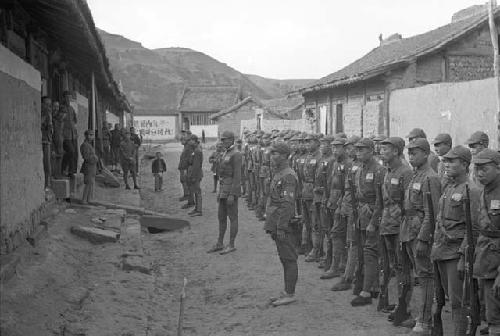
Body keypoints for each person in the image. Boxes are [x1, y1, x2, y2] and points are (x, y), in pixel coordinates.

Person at [430, 145, 480, 335]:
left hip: (456, 253)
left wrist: (462, 257)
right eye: (446, 161)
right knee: (448, 298)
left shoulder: (471, 190)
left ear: (465, 164)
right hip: (441, 249)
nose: (447, 165)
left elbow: (473, 228)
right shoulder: (449, 187)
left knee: (459, 301)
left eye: (452, 161)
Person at [402, 138, 441, 335]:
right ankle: (421, 316)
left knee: (426, 277)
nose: (410, 156)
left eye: (415, 153)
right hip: (410, 229)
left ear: (426, 154)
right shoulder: (416, 175)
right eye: (409, 153)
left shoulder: (430, 177)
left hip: (421, 233)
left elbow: (432, 213)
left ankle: (425, 322)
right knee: (420, 275)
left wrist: (425, 239)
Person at [374, 137, 413, 314]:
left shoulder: (406, 172)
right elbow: (382, 200)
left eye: (385, 150)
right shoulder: (387, 171)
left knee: (402, 266)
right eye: (381, 150)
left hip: (400, 226)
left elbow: (408, 204)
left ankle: (402, 305)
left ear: (396, 151)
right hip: (386, 223)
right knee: (388, 263)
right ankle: (388, 300)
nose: (382, 153)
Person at [350, 138, 385, 306]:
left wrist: (374, 221)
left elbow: (381, 200)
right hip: (361, 214)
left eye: (362, 149)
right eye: (357, 150)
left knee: (371, 252)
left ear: (371, 150)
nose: (358, 152)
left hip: (373, 215)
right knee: (365, 252)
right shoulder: (359, 169)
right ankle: (373, 286)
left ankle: (366, 291)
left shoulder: (379, 170)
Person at [265, 142, 299, 307]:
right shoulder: (279, 173)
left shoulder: (288, 175)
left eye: (276, 153)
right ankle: (287, 290)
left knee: (289, 258)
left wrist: (281, 227)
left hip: (283, 224)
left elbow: (287, 204)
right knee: (284, 258)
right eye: (272, 153)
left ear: (285, 155)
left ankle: (290, 293)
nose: (272, 156)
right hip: (276, 221)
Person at [473, 149, 500, 336]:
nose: (480, 173)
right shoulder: (484, 191)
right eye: (477, 168)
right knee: (487, 302)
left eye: (485, 168)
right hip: (485, 256)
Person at [207, 130, 242, 255]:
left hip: (230, 189)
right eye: (221, 139)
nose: (222, 142)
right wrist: (220, 191)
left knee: (232, 217)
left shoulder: (236, 154)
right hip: (223, 189)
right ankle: (220, 242)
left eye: (224, 139)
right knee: (221, 217)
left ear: (231, 140)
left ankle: (231, 244)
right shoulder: (225, 152)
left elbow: (237, 177)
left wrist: (233, 194)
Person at [303, 134, 322, 260]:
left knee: (316, 223)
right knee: (307, 221)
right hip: (305, 191)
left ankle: (316, 250)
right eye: (306, 142)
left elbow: (320, 178)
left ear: (316, 143)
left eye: (310, 142)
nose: (307, 144)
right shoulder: (308, 157)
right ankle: (307, 246)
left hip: (315, 193)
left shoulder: (320, 157)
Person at [61, 91, 78, 177]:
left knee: (74, 153)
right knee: (70, 151)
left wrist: (75, 131)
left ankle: (71, 171)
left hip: (72, 135)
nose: (68, 99)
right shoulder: (61, 108)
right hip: (64, 135)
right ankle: (63, 169)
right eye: (66, 97)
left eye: (69, 98)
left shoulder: (71, 109)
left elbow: (75, 120)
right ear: (64, 98)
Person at [187, 134, 203, 217]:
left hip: (196, 174)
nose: (189, 142)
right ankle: (197, 208)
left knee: (197, 192)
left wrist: (193, 176)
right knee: (196, 191)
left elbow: (196, 166)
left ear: (194, 140)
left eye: (190, 140)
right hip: (195, 174)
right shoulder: (195, 149)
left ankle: (199, 210)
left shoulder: (197, 151)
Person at [80, 130, 98, 203]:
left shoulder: (89, 145)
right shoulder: (85, 145)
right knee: (88, 183)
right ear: (85, 136)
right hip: (88, 166)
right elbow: (86, 157)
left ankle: (88, 199)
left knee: (91, 183)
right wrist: (95, 158)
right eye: (89, 135)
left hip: (92, 166)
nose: (90, 137)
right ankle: (84, 200)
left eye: (92, 135)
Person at [41, 96, 53, 188]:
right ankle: (46, 185)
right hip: (43, 140)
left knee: (47, 164)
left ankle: (47, 184)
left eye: (49, 104)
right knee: (46, 164)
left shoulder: (49, 113)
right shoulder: (43, 112)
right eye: (46, 104)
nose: (47, 106)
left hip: (48, 140)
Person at [178, 131, 192, 203]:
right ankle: (186, 194)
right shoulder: (186, 146)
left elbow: (189, 158)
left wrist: (187, 168)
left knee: (184, 180)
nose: (181, 141)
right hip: (182, 167)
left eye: (182, 140)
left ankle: (187, 195)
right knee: (183, 180)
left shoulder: (188, 146)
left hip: (185, 167)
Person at [51, 100, 63, 178]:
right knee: (53, 159)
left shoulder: (59, 119)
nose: (56, 108)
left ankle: (58, 175)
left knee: (59, 158)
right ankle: (53, 176)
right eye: (54, 106)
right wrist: (52, 147)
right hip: (53, 142)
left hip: (60, 142)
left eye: (57, 107)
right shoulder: (50, 118)